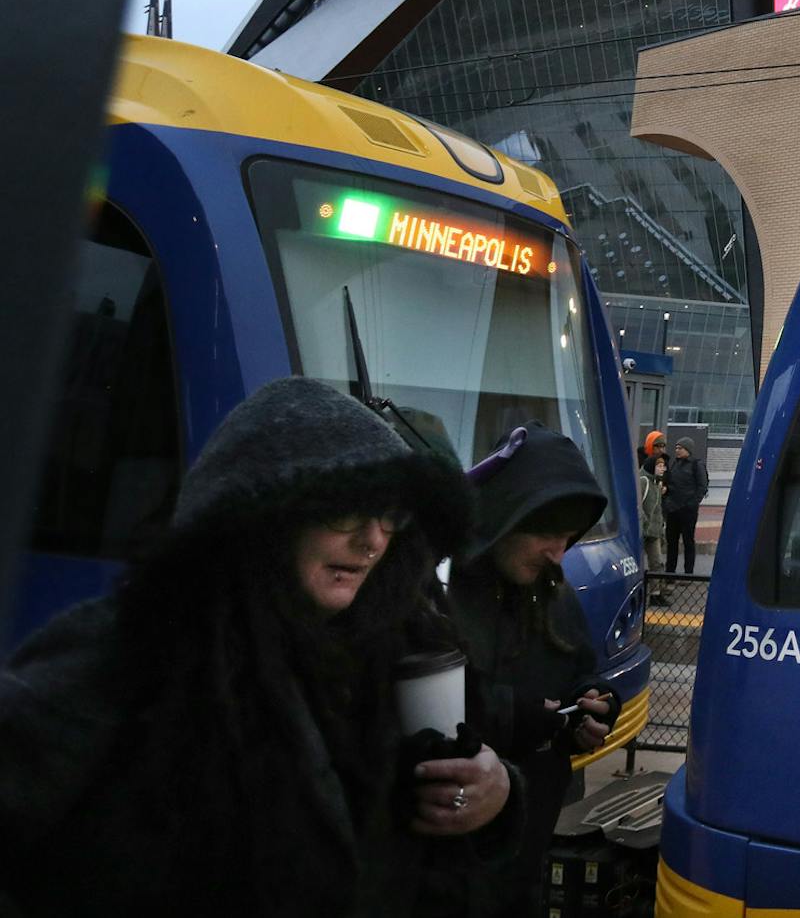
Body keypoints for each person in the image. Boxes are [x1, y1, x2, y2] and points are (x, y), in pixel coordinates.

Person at [0, 377, 519, 916]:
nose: (373, 541)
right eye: (345, 511)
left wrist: (498, 793)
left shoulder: (403, 646)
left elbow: (457, 785)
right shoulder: (138, 651)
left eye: (391, 515)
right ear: (264, 517)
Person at [449, 423, 616, 918]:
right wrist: (515, 715)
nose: (558, 554)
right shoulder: (438, 592)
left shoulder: (553, 593)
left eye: (568, 537)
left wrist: (598, 702)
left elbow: (581, 671)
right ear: (503, 515)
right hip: (450, 856)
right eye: (546, 533)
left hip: (529, 840)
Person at [663, 437, 709, 574]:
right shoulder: (674, 464)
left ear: (688, 450)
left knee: (688, 542)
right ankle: (669, 572)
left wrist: (692, 504)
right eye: (676, 448)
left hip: (688, 511)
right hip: (672, 510)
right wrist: (667, 501)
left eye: (680, 448)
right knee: (672, 543)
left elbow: (702, 486)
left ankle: (688, 572)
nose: (677, 450)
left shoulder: (696, 465)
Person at [639, 449, 669, 600]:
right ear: (652, 466)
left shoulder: (657, 484)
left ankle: (656, 594)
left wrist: (660, 527)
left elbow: (658, 509)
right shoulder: (643, 480)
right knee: (637, 563)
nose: (662, 468)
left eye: (664, 466)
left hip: (654, 531)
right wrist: (644, 523)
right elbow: (638, 505)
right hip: (642, 530)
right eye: (659, 465)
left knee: (657, 562)